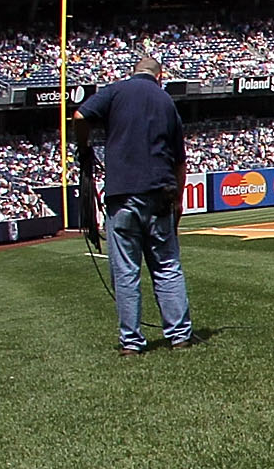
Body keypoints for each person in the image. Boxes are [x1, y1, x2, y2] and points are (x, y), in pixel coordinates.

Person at [78, 50, 196, 353]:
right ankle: (179, 336)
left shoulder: (115, 91)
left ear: (134, 72)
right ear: (160, 77)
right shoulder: (166, 101)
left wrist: (83, 145)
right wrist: (179, 202)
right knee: (167, 265)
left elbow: (80, 115)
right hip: (160, 192)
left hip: (122, 195)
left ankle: (131, 341)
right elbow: (180, 161)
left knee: (126, 270)